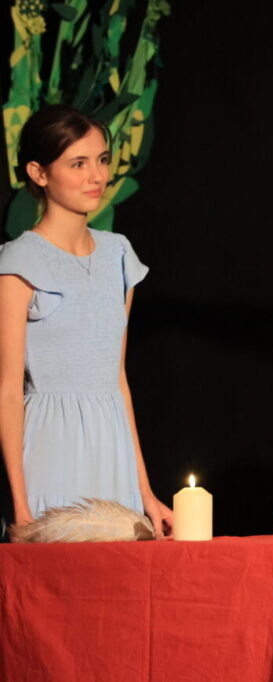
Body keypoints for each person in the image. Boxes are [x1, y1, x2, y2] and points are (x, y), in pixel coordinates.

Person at [0, 105, 173, 538]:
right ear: (39, 173)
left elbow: (118, 379)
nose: (97, 176)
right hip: (51, 450)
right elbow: (8, 392)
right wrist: (20, 507)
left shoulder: (119, 255)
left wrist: (145, 492)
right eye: (78, 163)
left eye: (102, 160)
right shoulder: (18, 262)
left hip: (111, 450)